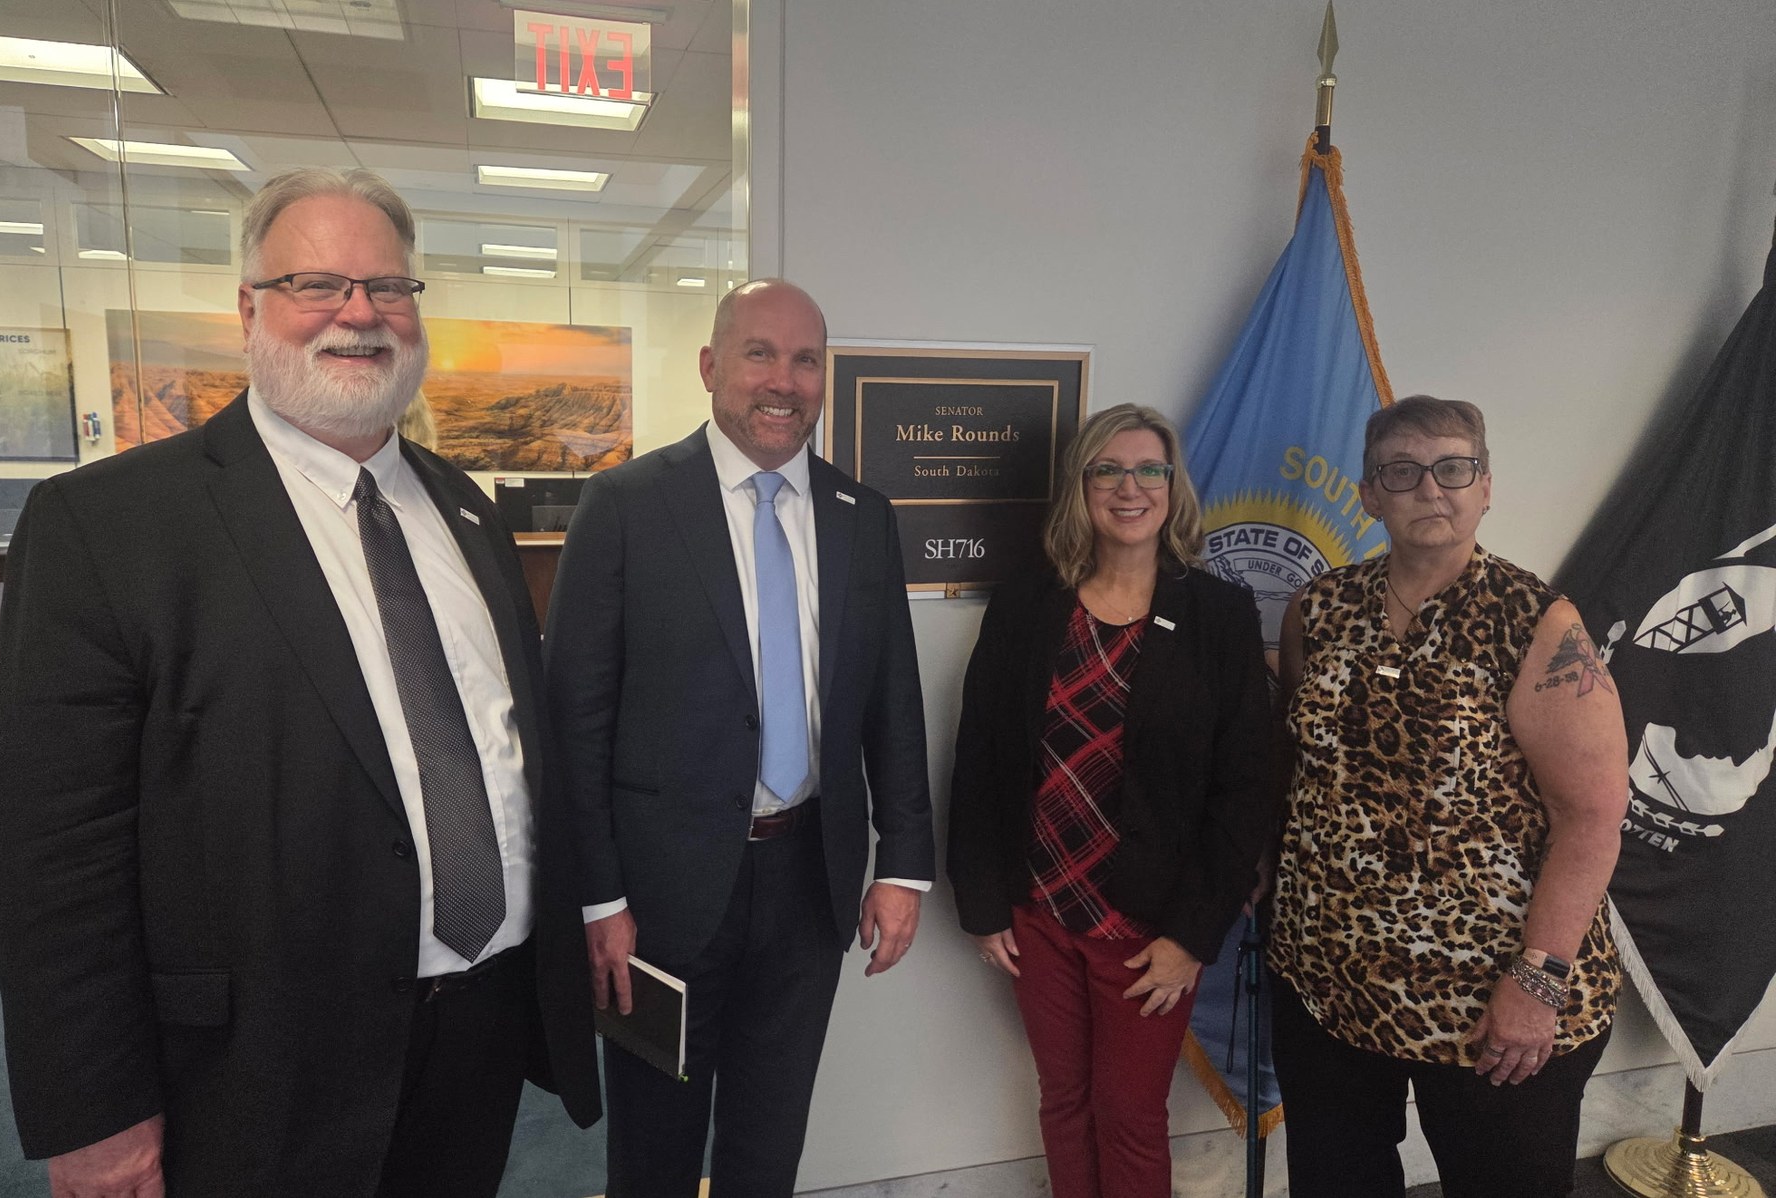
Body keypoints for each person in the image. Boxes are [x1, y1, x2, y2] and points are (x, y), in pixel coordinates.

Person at [0, 167, 600, 1198]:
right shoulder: (110, 526)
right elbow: (51, 857)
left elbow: (498, 747)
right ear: (248, 310)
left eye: (388, 288)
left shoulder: (466, 510)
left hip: (474, 1030)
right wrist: (94, 1112)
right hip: (256, 1067)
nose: (359, 313)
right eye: (318, 283)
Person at [542, 278, 935, 1197]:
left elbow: (893, 702)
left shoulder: (861, 517)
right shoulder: (626, 505)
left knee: (770, 1141)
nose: (784, 380)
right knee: (656, 1150)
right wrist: (597, 900)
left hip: (810, 885)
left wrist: (903, 864)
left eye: (805, 360)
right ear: (713, 366)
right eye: (760, 353)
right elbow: (578, 722)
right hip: (660, 897)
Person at [1267, 395, 1628, 1198]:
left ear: (1486, 486)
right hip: (1327, 979)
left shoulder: (1540, 626)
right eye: (1402, 472)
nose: (1431, 488)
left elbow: (1594, 816)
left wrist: (1537, 983)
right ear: (1369, 493)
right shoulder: (1318, 609)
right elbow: (1300, 768)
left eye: (1453, 468)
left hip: (1489, 996)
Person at [946, 403, 1276, 1198]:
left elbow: (1246, 790)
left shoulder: (1219, 616)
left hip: (1150, 928)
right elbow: (981, 756)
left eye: (1149, 470)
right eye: (1108, 470)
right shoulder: (1029, 601)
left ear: (1173, 486)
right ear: (1081, 486)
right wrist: (985, 902)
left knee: (1129, 1113)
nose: (1129, 488)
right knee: (1064, 1101)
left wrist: (1192, 939)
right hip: (1041, 915)